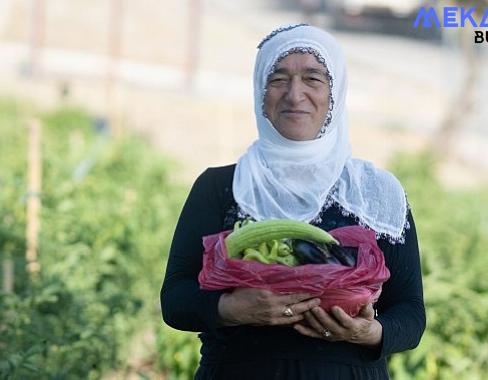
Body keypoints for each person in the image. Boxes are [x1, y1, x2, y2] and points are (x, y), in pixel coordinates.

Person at [160, 24, 425, 379]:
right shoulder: (220, 187)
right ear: (260, 92)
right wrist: (230, 309)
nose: (295, 94)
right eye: (279, 79)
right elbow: (175, 298)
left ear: (335, 93)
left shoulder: (375, 192)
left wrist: (370, 332)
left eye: (313, 79)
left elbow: (410, 313)